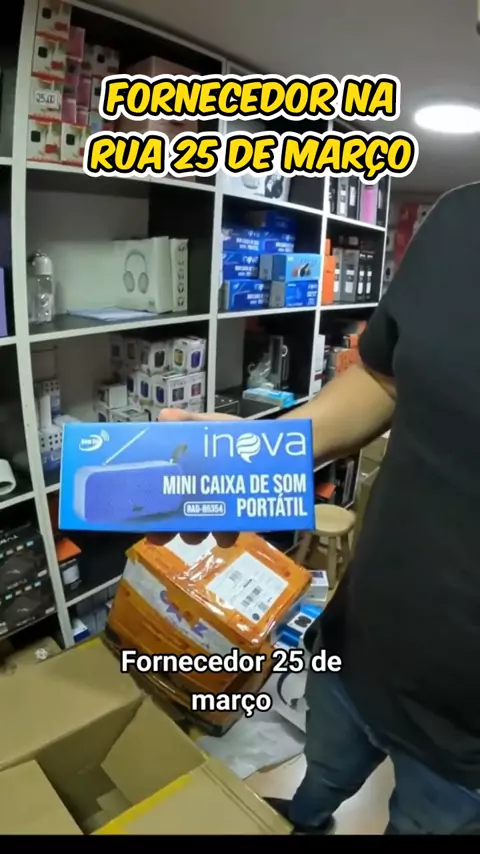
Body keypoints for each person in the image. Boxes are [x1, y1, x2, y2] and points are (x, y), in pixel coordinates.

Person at [159, 183, 480, 835]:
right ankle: (309, 819)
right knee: (323, 773)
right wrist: (264, 455)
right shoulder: (462, 218)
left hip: (466, 735)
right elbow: (386, 376)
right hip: (360, 641)